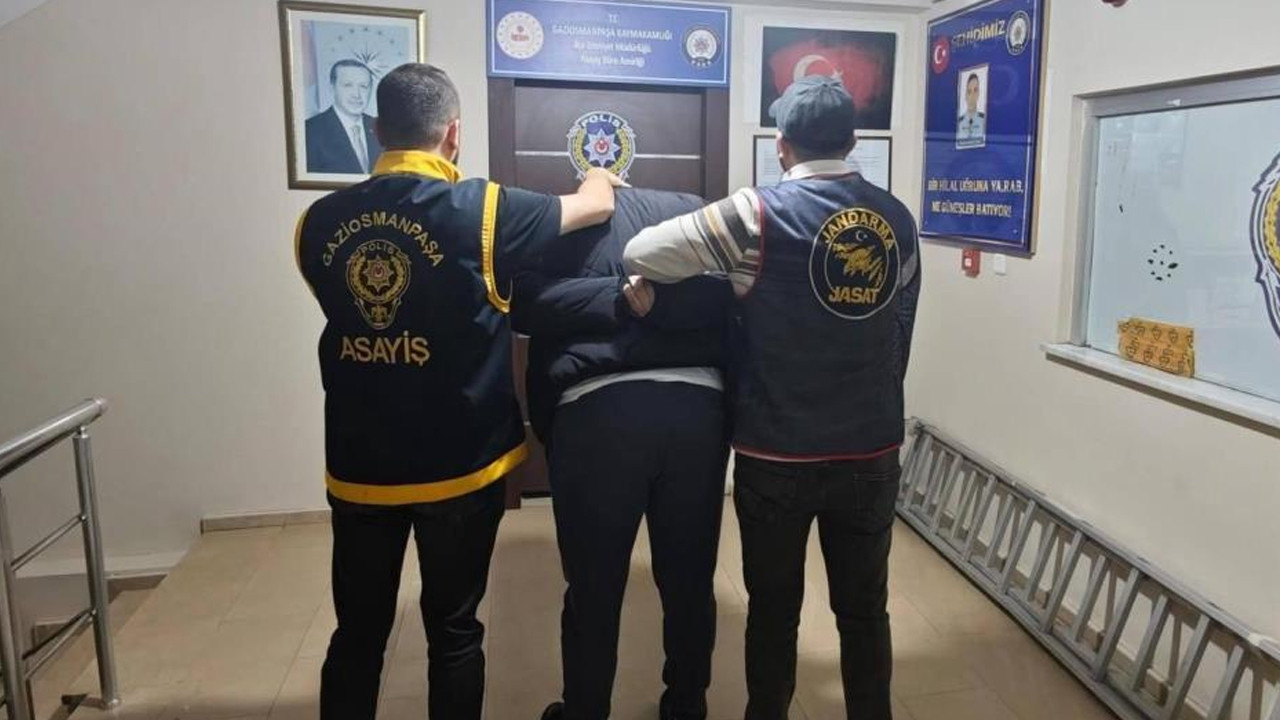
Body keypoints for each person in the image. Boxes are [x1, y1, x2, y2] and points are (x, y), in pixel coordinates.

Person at [294, 62, 622, 720]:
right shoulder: (485, 210)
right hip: (459, 466)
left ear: (378, 130)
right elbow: (596, 207)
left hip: (360, 466)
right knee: (454, 633)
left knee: (357, 632)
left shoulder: (317, 222)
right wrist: (599, 172)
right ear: (453, 134)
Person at [623, 75, 922, 720]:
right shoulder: (897, 218)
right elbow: (900, 331)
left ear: (782, 145)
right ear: (853, 142)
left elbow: (640, 251)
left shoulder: (754, 214)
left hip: (776, 451)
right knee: (865, 610)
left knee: (774, 611)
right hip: (870, 448)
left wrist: (721, 278)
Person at [511, 188, 734, 720]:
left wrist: (617, 297)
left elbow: (527, 307)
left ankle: (585, 710)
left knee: (593, 585)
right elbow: (732, 298)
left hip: (596, 414)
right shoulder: (692, 210)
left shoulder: (561, 222)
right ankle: (686, 706)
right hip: (697, 413)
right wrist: (650, 298)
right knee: (689, 578)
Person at [306, 59, 384, 173]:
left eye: (363, 86)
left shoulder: (383, 129)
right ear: (332, 88)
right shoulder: (310, 131)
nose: (356, 94)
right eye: (348, 85)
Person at [956, 72, 986, 148]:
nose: (972, 96)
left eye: (975, 90)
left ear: (978, 93)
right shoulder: (959, 122)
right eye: (969, 91)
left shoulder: (984, 120)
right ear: (965, 95)